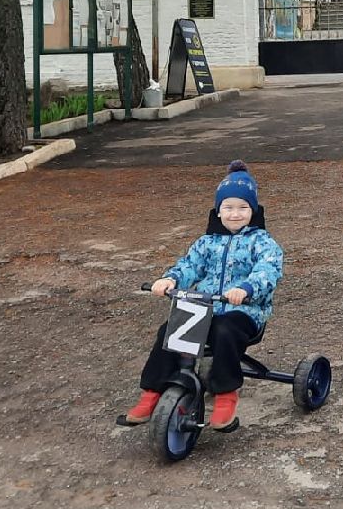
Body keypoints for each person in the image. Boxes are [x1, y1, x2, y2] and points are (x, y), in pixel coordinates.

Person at [118, 161, 283, 432]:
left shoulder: (263, 242)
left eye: (243, 208)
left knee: (224, 331)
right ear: (218, 211)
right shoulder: (206, 243)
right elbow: (190, 266)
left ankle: (227, 393)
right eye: (228, 207)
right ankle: (152, 393)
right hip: (204, 306)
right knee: (169, 332)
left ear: (253, 211)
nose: (235, 214)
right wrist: (169, 279)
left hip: (244, 311)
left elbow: (268, 270)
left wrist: (247, 289)